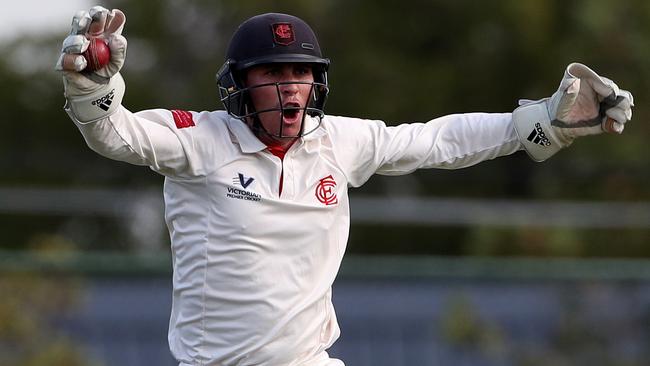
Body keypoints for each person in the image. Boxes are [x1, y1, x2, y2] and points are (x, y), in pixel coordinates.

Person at [56, 6, 634, 366]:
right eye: (272, 74)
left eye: (300, 73)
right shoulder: (199, 141)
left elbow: (436, 141)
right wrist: (90, 88)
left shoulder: (338, 142)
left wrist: (536, 122)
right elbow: (114, 134)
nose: (289, 89)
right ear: (238, 84)